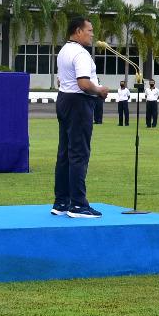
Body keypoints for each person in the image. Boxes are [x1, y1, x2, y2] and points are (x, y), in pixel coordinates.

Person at [52, 16, 108, 218]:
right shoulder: (81, 54)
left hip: (65, 99)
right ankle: (77, 204)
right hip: (78, 102)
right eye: (89, 30)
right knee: (79, 153)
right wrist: (99, 90)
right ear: (78, 31)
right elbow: (84, 83)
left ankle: (61, 202)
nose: (92, 34)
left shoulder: (64, 51)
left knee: (65, 153)